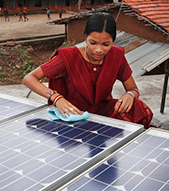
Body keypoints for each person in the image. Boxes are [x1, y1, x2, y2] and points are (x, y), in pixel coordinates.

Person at [23, 12, 153, 128]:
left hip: (104, 112)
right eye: (93, 43)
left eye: (106, 44)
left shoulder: (116, 57)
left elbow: (133, 89)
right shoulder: (69, 57)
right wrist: (57, 98)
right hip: (73, 112)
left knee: (137, 106)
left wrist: (129, 95)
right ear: (85, 37)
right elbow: (29, 78)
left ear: (113, 41)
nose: (98, 49)